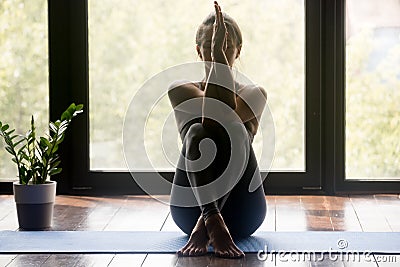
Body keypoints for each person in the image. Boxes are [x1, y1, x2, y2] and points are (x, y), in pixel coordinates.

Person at [168, 1, 268, 258]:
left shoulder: (254, 94)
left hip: (243, 211)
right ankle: (212, 217)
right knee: (197, 133)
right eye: (212, 48)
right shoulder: (180, 89)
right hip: (190, 209)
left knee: (235, 130)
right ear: (199, 51)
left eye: (224, 47)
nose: (218, 53)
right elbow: (212, 116)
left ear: (238, 51)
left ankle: (208, 224)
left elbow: (222, 118)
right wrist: (208, 214)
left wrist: (219, 60)